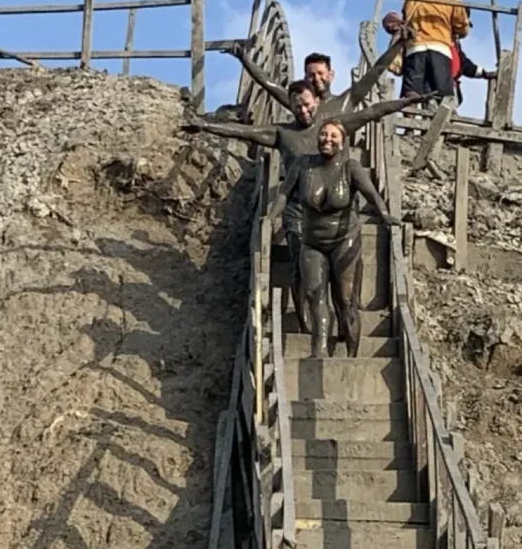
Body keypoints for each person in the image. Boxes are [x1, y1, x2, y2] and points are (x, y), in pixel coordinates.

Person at [183, 88, 432, 333]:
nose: (303, 110)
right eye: (297, 106)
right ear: (289, 106)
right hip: (297, 211)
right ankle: (306, 323)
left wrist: (408, 102)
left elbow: (373, 111)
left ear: (316, 101)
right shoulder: (284, 133)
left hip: (335, 214)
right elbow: (245, 132)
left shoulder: (334, 126)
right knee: (300, 269)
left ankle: (343, 319)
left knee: (341, 281)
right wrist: (206, 127)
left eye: (307, 104)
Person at [269, 118, 400, 359]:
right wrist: (270, 218)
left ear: (342, 143)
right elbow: (284, 194)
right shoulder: (303, 165)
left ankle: (351, 356)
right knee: (315, 294)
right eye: (323, 135)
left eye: (333, 137)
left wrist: (384, 214)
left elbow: (371, 194)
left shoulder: (350, 167)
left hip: (344, 241)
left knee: (346, 300)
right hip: (312, 242)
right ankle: (318, 353)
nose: (327, 140)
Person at [225, 36, 406, 117]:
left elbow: (376, 72)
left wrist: (398, 45)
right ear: (305, 77)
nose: (317, 78)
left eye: (321, 74)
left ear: (331, 75)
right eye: (311, 75)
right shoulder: (301, 105)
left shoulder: (345, 102)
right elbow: (267, 83)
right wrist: (244, 58)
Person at [400, 0, 471, 102]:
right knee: (441, 94)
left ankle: (412, 113)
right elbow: (461, 25)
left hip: (415, 46)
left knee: (411, 94)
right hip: (440, 47)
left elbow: (405, 16)